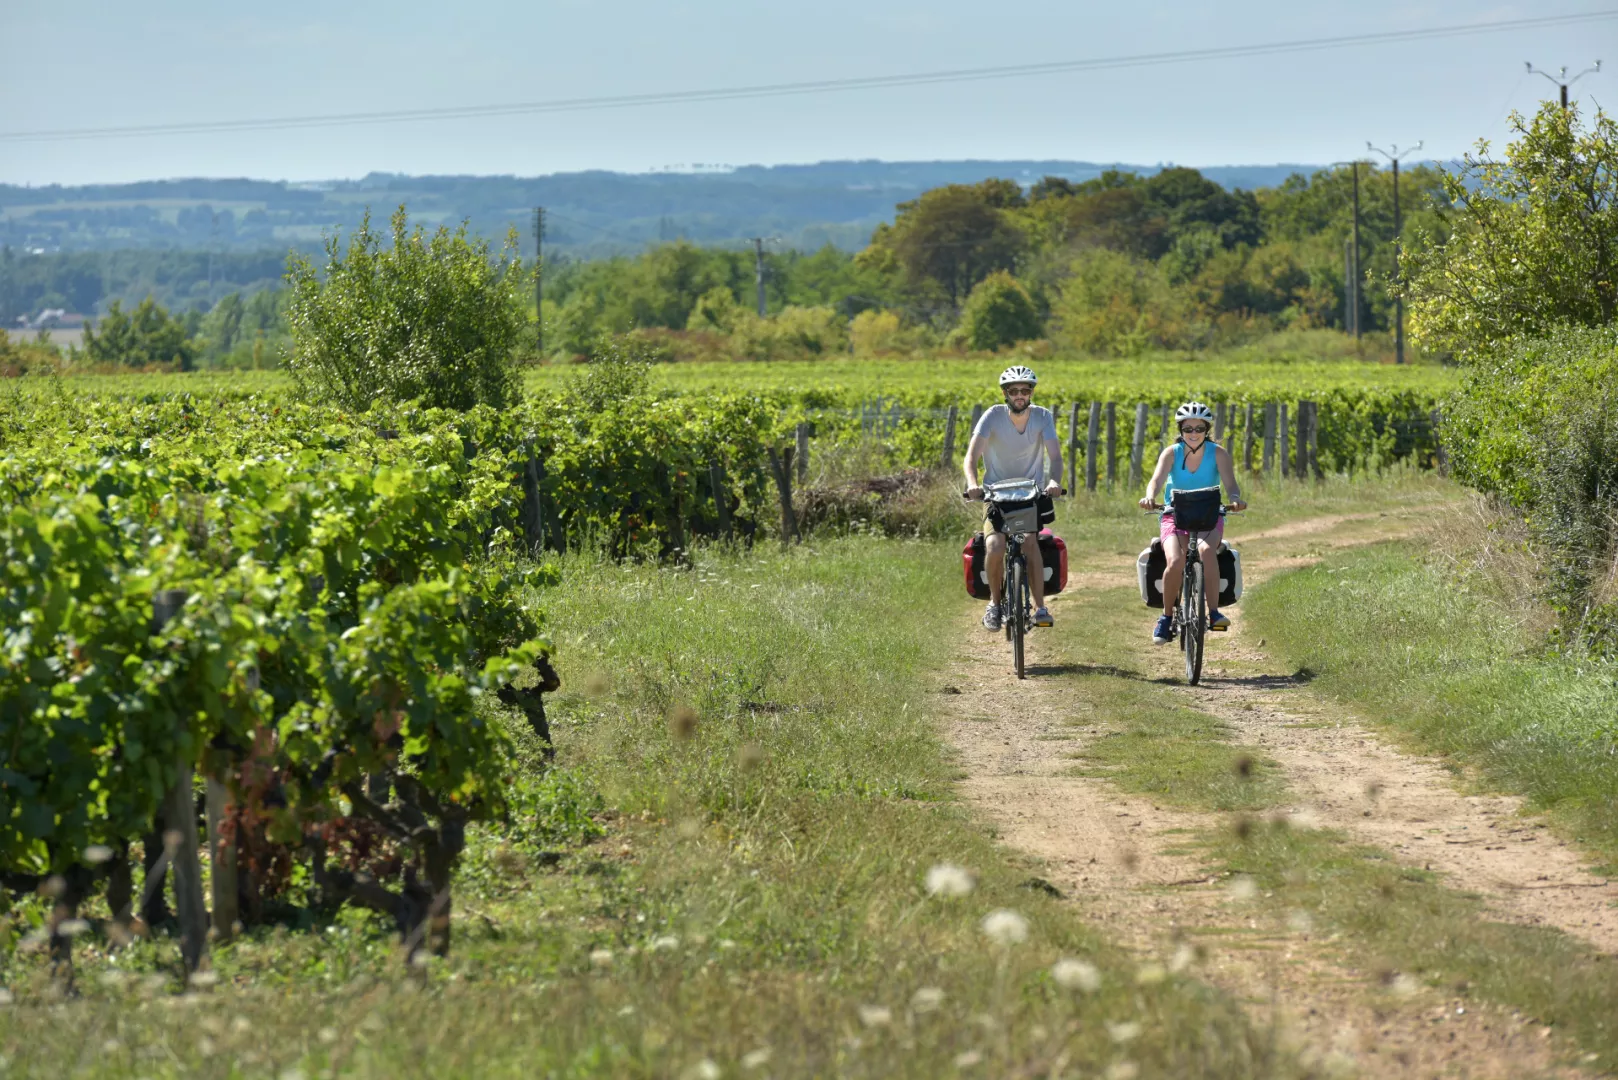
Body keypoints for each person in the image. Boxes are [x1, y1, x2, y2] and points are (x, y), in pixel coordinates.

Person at [963, 365, 1064, 631]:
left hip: (1030, 493)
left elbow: (1055, 457)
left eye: (1025, 390)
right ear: (1005, 394)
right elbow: (971, 457)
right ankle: (994, 605)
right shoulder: (993, 416)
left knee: (1030, 543)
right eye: (1014, 390)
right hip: (995, 494)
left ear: (1031, 392)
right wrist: (973, 484)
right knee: (995, 547)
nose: (1020, 395)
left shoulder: (1042, 417)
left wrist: (1054, 481)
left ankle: (1040, 607)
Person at [1138, 401, 1247, 644]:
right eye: (1188, 429)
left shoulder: (1218, 453)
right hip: (1174, 515)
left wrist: (1236, 499)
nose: (1194, 434)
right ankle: (1166, 618)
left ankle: (1214, 612)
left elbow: (1230, 484)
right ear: (1181, 430)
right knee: (1176, 560)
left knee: (1207, 551)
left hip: (1209, 515)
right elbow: (1156, 480)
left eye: (1199, 428)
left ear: (1207, 429)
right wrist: (1150, 497)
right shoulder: (1171, 453)